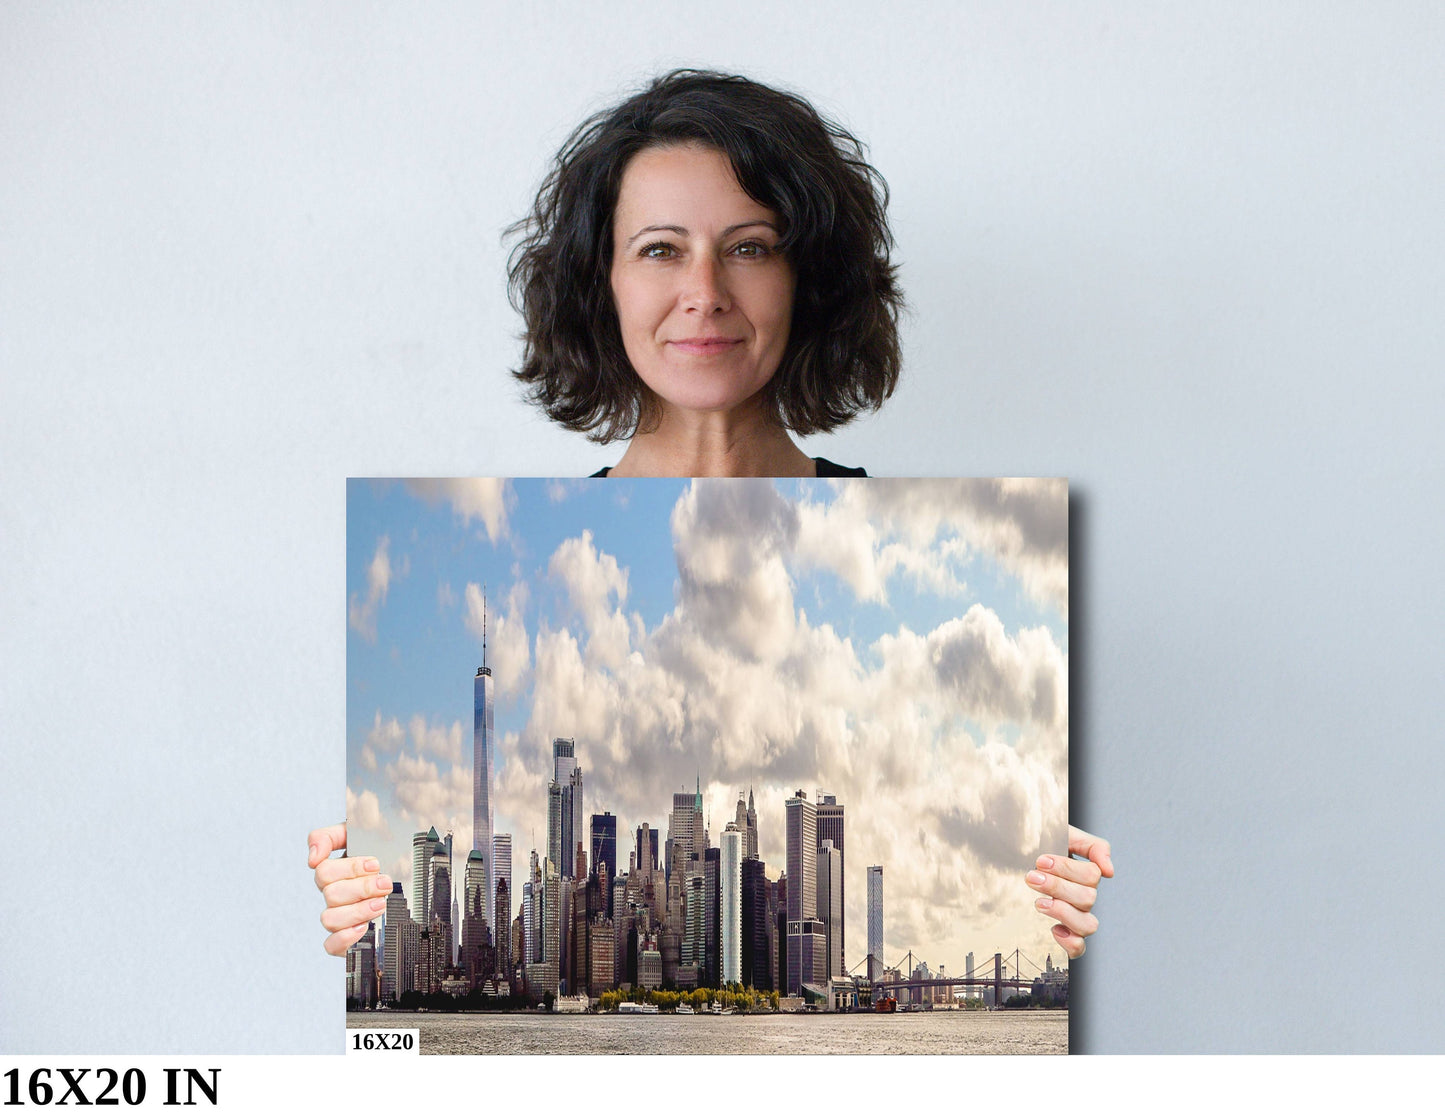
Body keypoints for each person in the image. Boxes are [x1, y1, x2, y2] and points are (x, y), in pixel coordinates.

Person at [312, 69, 1112, 962]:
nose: (705, 291)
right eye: (660, 249)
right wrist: (352, 921)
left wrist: (1076, 908)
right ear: (601, 282)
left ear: (806, 280)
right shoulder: (546, 537)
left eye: (749, 246)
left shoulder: (908, 532)